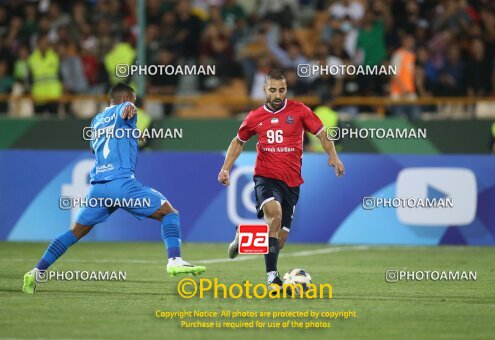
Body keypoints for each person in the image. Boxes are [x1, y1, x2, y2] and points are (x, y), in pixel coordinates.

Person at [22, 83, 205, 294]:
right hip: (122, 184)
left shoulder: (96, 121)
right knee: (169, 213)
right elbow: (128, 111)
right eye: (134, 101)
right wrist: (129, 110)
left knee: (75, 232)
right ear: (126, 98)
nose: (135, 105)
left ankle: (36, 272)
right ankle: (174, 260)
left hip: (99, 188)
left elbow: (95, 147)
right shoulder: (126, 109)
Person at [217, 70, 345, 289]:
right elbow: (238, 141)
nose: (277, 95)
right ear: (264, 90)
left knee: (279, 239)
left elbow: (322, 133)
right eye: (273, 90)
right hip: (265, 177)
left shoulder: (300, 110)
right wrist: (225, 169)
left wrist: (333, 155)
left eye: (282, 90)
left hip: (292, 183)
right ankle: (272, 278)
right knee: (274, 217)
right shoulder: (255, 116)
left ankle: (243, 236)